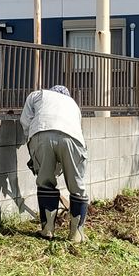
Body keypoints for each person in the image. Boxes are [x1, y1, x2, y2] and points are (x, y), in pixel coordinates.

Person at [20, 85, 89, 243]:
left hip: (42, 133)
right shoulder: (73, 104)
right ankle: (76, 234)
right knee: (78, 187)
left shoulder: (38, 95)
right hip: (73, 138)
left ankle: (47, 230)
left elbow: (25, 121)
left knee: (45, 182)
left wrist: (31, 144)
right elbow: (78, 129)